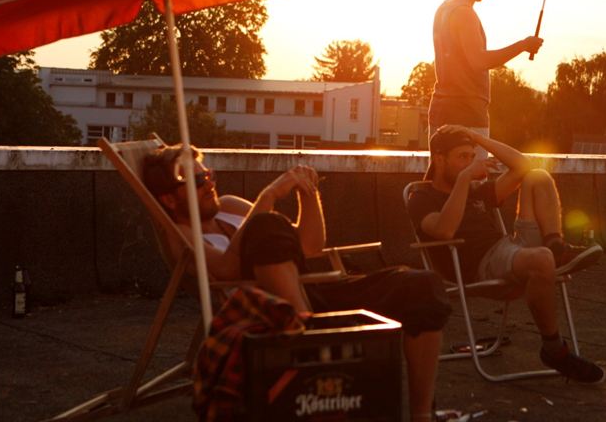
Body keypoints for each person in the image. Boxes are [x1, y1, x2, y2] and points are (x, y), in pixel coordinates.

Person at [142, 144, 451, 422]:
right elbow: (225, 269)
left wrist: (308, 192)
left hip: (310, 290)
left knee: (423, 286)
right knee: (266, 223)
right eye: (196, 181)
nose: (209, 184)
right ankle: (308, 334)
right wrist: (268, 197)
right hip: (269, 310)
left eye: (207, 174)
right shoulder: (179, 234)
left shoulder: (230, 206)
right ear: (169, 199)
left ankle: (422, 415)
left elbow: (310, 246)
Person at [407, 125, 605, 383]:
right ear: (439, 159)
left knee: (538, 176)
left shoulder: (476, 191)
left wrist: (478, 138)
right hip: (479, 265)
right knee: (541, 260)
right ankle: (554, 349)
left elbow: (522, 166)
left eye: (471, 156)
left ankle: (556, 247)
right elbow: (444, 230)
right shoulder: (422, 197)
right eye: (461, 157)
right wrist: (466, 179)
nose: (469, 163)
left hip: (507, 249)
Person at [428, 0, 544, 147]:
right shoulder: (464, 13)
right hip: (466, 113)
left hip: (441, 109)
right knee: (472, 176)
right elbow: (478, 61)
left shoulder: (444, 8)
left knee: (443, 176)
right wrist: (523, 46)